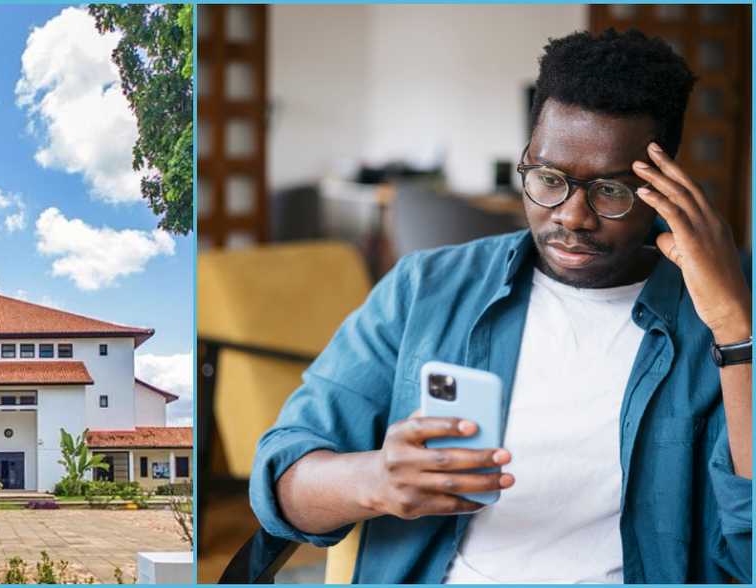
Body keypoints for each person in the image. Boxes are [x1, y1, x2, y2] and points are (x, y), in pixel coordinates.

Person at [250, 28, 751, 584]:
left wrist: (734, 329)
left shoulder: (733, 300)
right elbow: (283, 486)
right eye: (548, 178)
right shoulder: (427, 288)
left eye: (610, 190)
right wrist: (377, 480)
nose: (571, 216)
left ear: (665, 184)